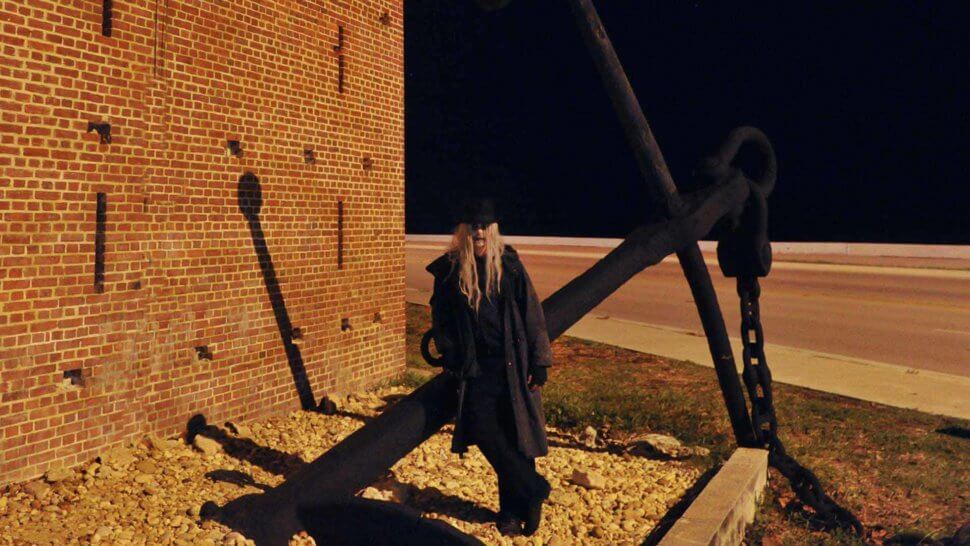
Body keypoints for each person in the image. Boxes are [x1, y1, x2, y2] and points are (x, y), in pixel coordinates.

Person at [425, 197, 553, 536]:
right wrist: (450, 352)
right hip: (476, 370)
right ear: (464, 232)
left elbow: (533, 315)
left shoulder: (509, 267)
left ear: (492, 231)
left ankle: (514, 511)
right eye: (473, 226)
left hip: (513, 365)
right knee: (484, 431)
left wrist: (540, 362)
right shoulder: (451, 271)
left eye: (485, 226)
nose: (479, 231)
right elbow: (441, 319)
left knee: (517, 437)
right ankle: (532, 487)